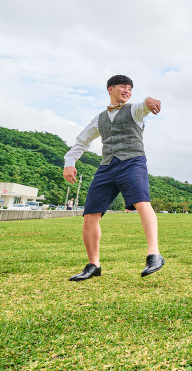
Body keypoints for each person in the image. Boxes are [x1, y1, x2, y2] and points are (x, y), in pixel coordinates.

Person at [63, 74, 165, 281]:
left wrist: (150, 100)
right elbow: (82, 141)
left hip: (132, 161)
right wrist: (69, 162)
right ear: (110, 89)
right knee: (90, 214)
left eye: (129, 88)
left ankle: (154, 254)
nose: (126, 91)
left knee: (141, 203)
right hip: (107, 166)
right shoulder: (99, 118)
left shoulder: (135, 110)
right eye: (122, 87)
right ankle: (93, 265)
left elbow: (145, 105)